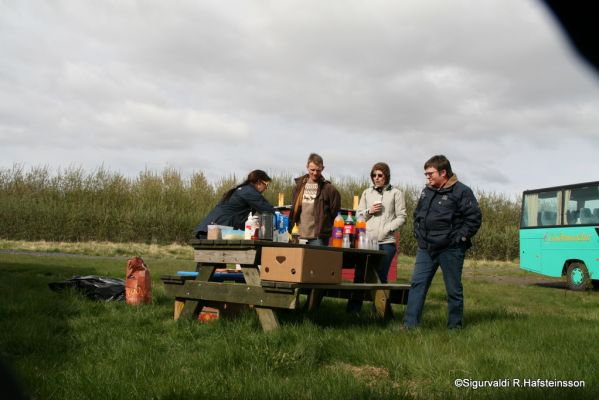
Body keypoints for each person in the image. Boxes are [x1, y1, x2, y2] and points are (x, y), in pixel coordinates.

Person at [403, 155, 481, 329]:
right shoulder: (427, 191)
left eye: (430, 173)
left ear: (443, 172)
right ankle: (410, 326)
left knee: (453, 290)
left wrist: (459, 239)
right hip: (426, 248)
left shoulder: (462, 191)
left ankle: (455, 327)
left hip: (451, 249)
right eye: (426, 174)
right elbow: (418, 214)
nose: (427, 177)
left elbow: (474, 218)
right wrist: (418, 233)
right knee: (417, 284)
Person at [347, 162, 407, 313]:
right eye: (374, 175)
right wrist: (369, 211)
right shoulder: (367, 193)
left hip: (387, 242)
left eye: (380, 175)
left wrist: (387, 229)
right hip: (367, 242)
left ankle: (381, 312)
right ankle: (353, 311)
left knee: (380, 277)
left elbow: (402, 217)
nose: (376, 178)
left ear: (386, 176)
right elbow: (358, 216)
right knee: (360, 275)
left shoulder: (396, 193)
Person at [193, 170, 275, 238]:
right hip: (215, 230)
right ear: (259, 182)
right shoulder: (249, 192)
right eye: (266, 185)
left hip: (209, 229)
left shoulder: (243, 190)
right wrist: (284, 219)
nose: (266, 188)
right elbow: (267, 209)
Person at [288, 153, 341, 246]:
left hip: (319, 237)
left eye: (318, 170)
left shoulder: (329, 189)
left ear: (322, 168)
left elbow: (334, 213)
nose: (315, 173)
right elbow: (294, 209)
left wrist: (325, 228)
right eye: (312, 170)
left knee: (318, 261)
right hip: (299, 235)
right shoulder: (299, 186)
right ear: (307, 167)